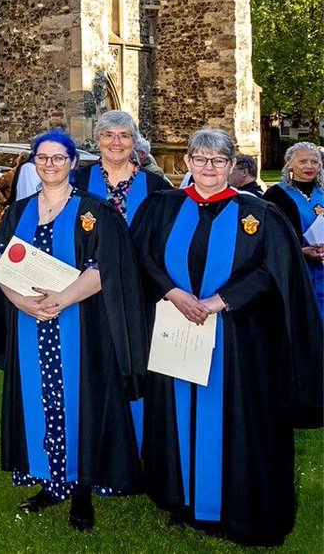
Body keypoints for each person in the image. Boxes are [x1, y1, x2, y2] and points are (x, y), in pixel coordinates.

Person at [131, 128, 323, 547]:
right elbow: (141, 257)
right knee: (178, 413)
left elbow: (276, 272)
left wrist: (222, 300)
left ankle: (234, 508)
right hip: (175, 329)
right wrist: (174, 291)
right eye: (200, 159)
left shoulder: (259, 214)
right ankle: (181, 501)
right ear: (186, 163)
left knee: (238, 417)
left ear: (233, 165)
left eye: (219, 161)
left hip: (238, 340)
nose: (209, 168)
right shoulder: (161, 208)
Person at [0, 130, 146, 531]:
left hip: (80, 324)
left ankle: (82, 489)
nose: (50, 165)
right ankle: (51, 482)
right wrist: (21, 302)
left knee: (80, 402)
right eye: (42, 158)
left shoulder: (96, 211)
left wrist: (62, 299)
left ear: (73, 163)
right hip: (30, 324)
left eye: (58, 158)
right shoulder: (18, 211)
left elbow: (105, 267)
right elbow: (0, 260)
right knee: (41, 401)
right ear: (33, 163)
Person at [71, 110, 170, 450]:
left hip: (142, 293)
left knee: (140, 367)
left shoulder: (156, 186)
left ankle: (140, 446)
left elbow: (165, 241)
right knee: (94, 366)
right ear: (97, 140)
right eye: (108, 135)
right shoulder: (78, 182)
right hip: (89, 292)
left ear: (134, 141)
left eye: (124, 135)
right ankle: (98, 445)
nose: (116, 142)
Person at [262, 142, 324, 316]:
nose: (309, 166)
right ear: (290, 164)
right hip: (295, 271)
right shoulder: (276, 195)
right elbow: (270, 237)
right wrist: (300, 250)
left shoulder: (323, 192)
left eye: (314, 162)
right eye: (303, 161)